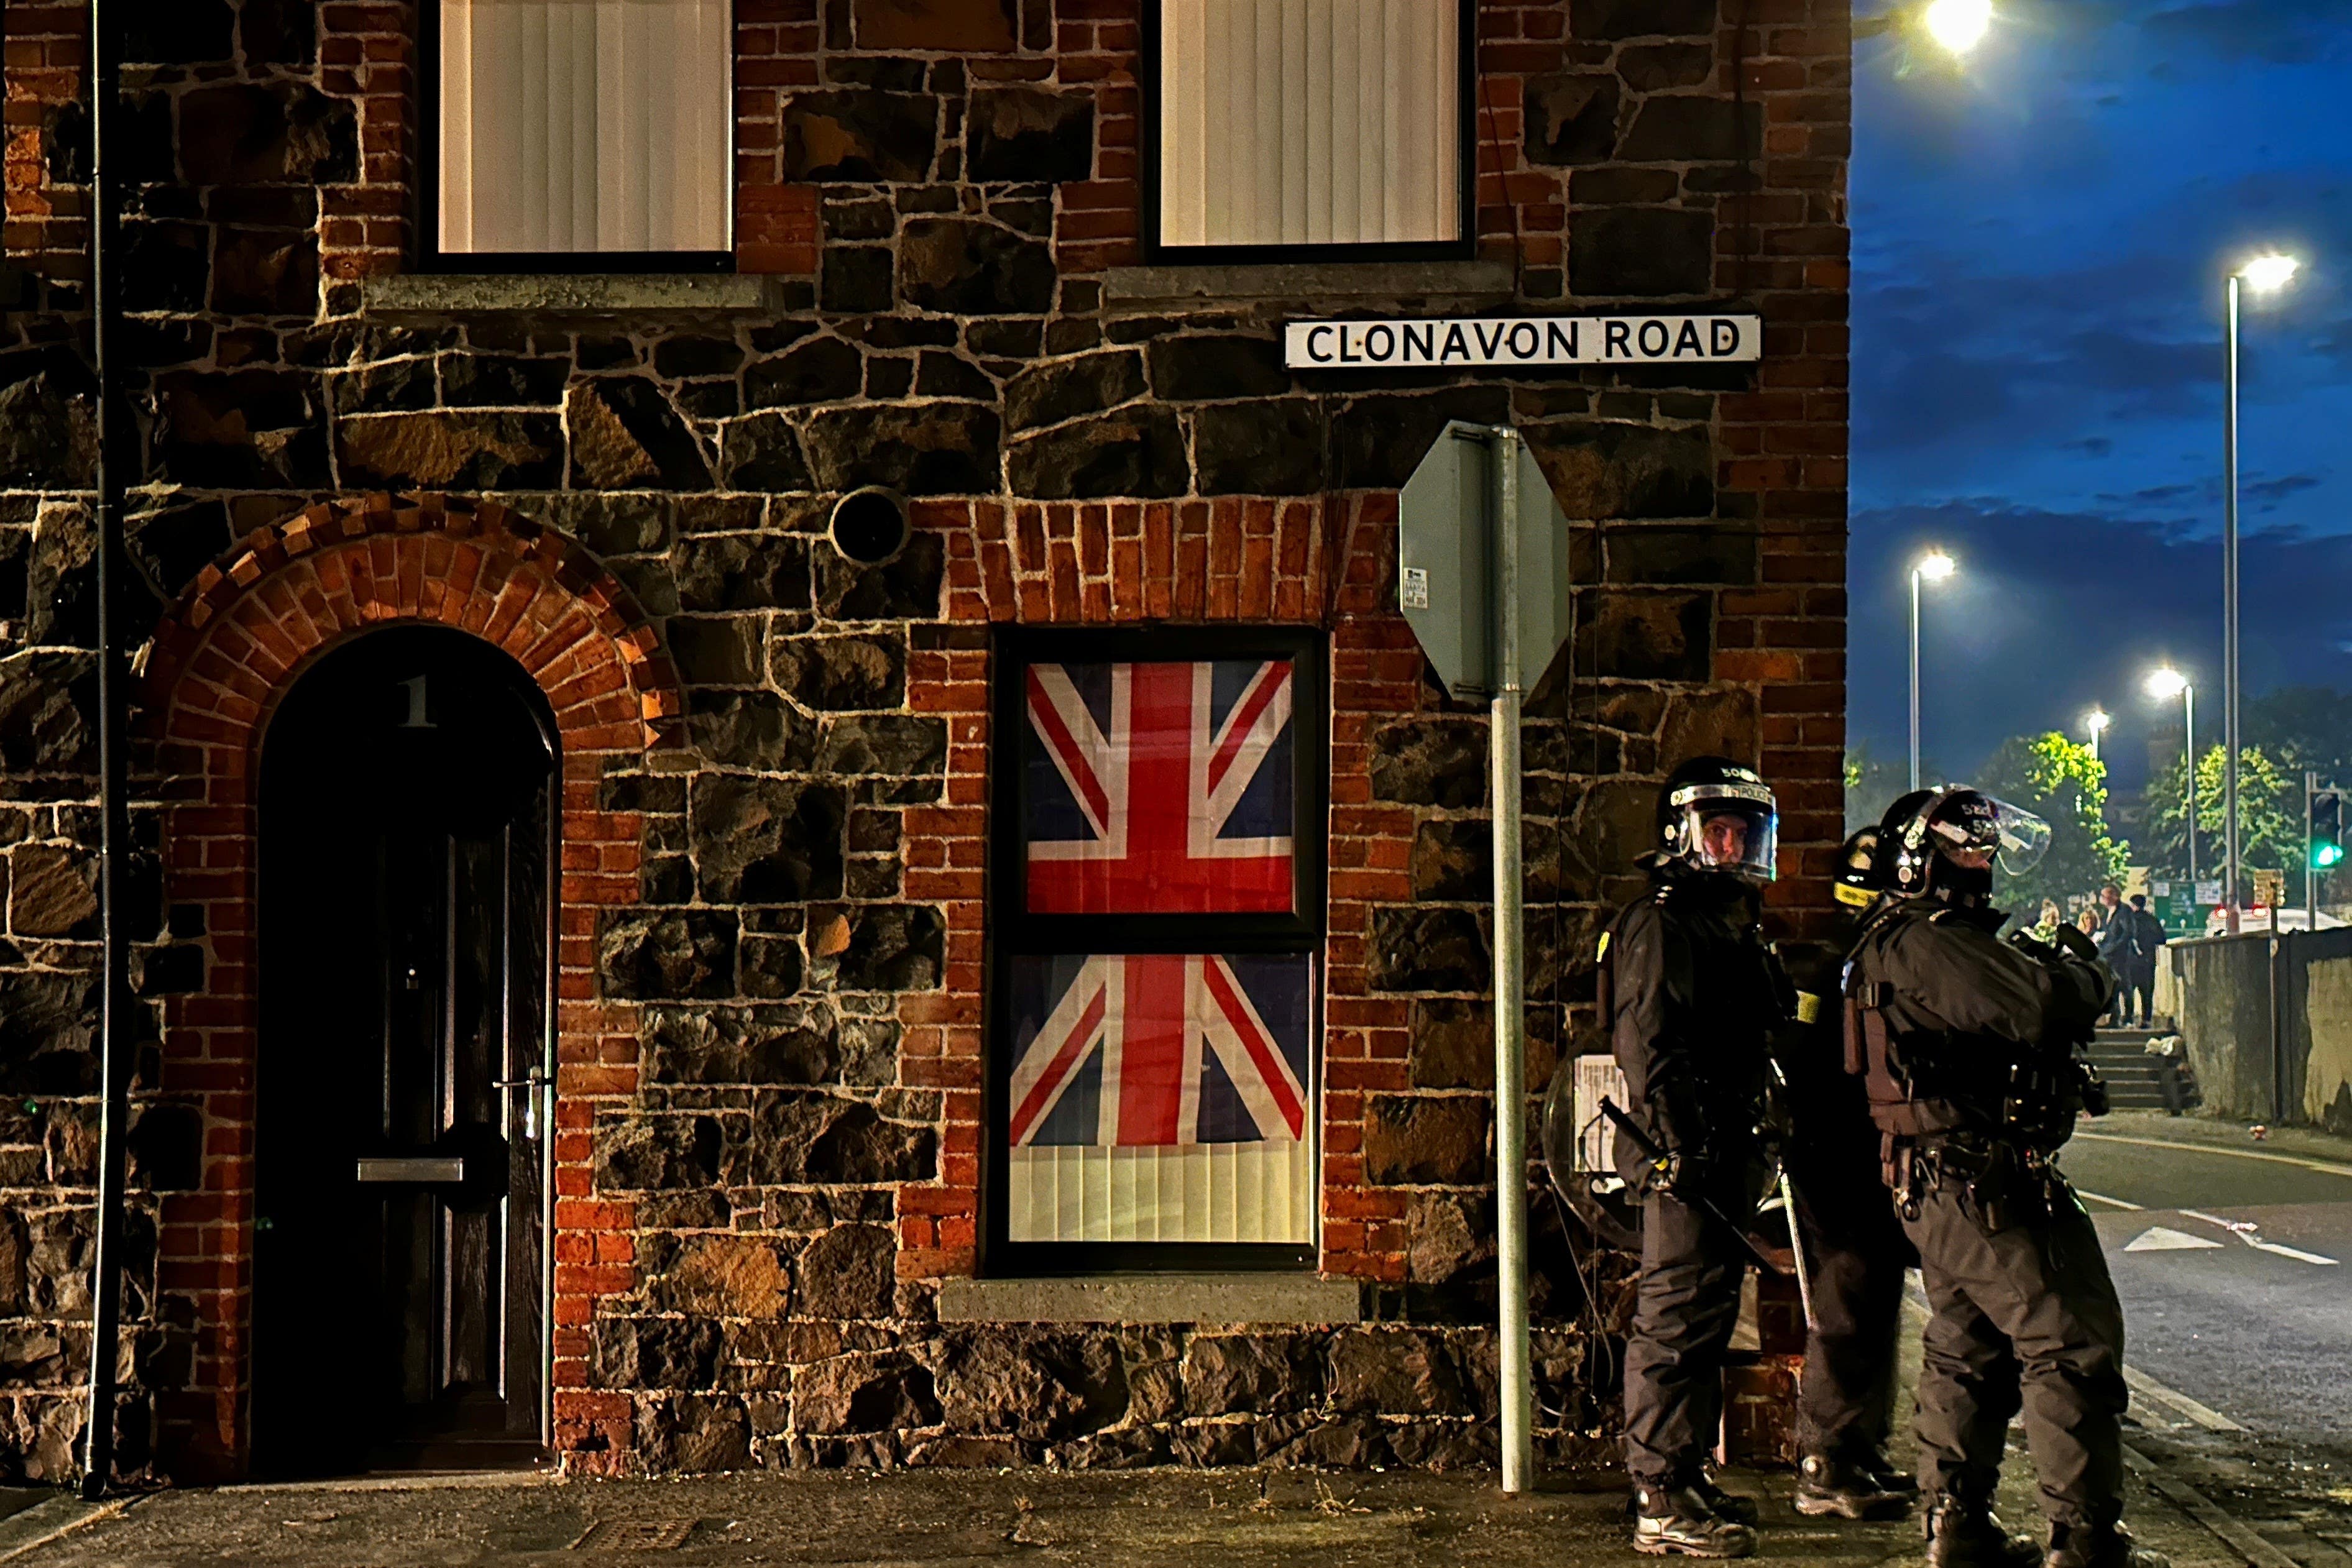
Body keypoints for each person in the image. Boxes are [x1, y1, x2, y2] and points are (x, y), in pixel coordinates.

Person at [1847, 789, 2166, 1568]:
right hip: (1978, 1178)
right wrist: (2084, 972)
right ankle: (2084, 1539)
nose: (1982, 864)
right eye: (1966, 849)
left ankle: (1955, 1525)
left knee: (1967, 1345)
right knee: (2070, 1340)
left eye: (1988, 850)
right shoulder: (1930, 940)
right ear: (1923, 860)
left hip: (1943, 1180)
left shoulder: (1903, 938)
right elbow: (2037, 1003)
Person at [1601, 757, 1785, 1557]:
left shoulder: (1726, 921)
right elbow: (1649, 1043)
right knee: (1674, 1323)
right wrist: (1680, 1146)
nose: (1732, 845)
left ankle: (1684, 1471)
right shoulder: (1663, 921)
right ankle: (1658, 1495)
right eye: (1718, 830)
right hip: (1685, 1160)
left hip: (1724, 1149)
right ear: (1682, 833)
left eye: (1743, 831)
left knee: (1706, 1320)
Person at [1775, 826, 1920, 1521]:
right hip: (1834, 1164)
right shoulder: (1832, 966)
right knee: (1844, 1309)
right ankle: (1825, 1461)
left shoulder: (1860, 957)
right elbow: (1802, 1075)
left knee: (1873, 1307)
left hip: (1864, 1161)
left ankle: (1857, 1450)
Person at [2123, 894, 2165, 1029]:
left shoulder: (2128, 921)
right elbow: (2162, 939)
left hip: (2130, 961)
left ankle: (2128, 1019)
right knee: (2147, 992)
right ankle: (2146, 1020)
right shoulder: (2152, 920)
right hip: (2148, 962)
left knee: (2129, 991)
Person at [2092, 885, 2131, 1026]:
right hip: (2107, 955)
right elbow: (2107, 933)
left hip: (2120, 956)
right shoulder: (2107, 912)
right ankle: (2114, 1018)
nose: (2102, 899)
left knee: (2124, 986)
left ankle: (2128, 1018)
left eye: (2105, 896)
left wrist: (2114, 947)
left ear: (2114, 896)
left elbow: (2127, 933)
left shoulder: (2123, 911)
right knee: (2111, 988)